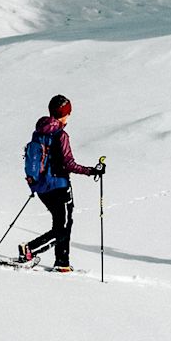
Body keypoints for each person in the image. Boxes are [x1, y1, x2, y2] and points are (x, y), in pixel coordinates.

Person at [18, 94, 104, 273]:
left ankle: (62, 263)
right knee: (63, 228)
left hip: (41, 187)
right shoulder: (60, 135)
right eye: (68, 112)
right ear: (63, 114)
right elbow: (69, 164)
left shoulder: (39, 132)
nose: (69, 116)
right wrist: (91, 171)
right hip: (59, 185)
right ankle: (30, 250)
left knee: (60, 223)